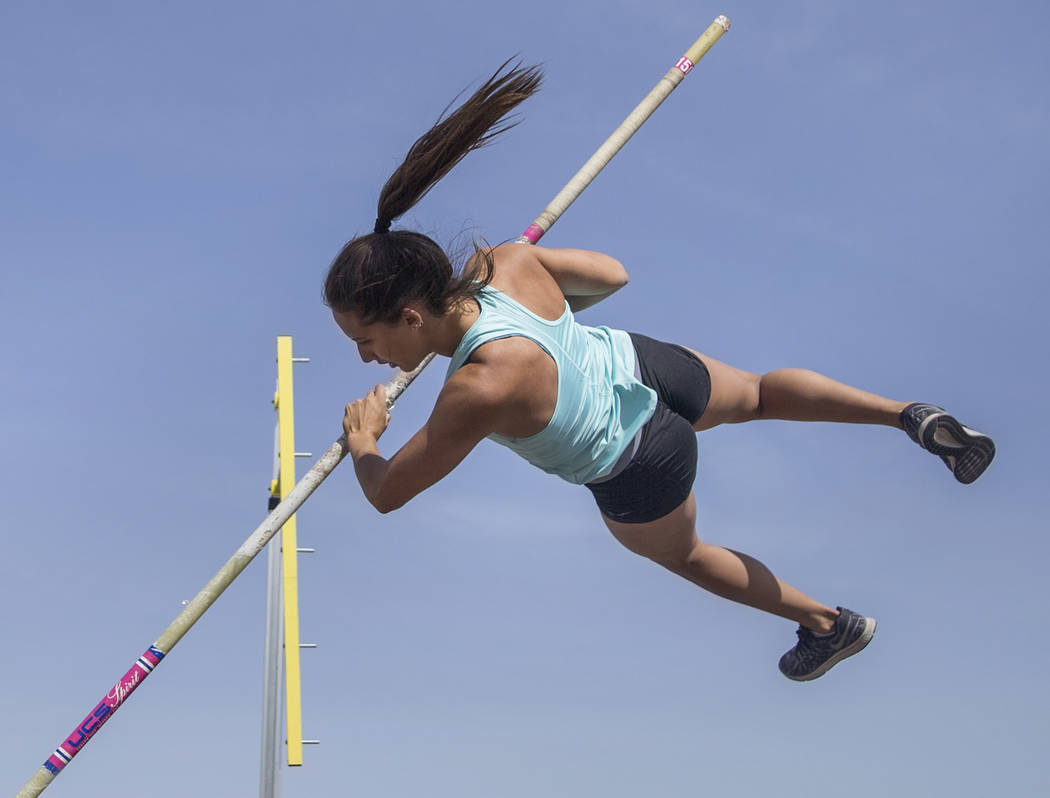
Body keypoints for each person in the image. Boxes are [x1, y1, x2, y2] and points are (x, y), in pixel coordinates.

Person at [325, 61, 995, 681]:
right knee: (760, 393)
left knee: (686, 554)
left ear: (411, 315)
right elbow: (612, 276)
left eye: (366, 337)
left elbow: (387, 494)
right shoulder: (507, 264)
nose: (366, 356)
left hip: (636, 459)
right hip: (643, 366)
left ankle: (827, 623)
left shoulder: (477, 387)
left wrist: (365, 443)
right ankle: (906, 414)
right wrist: (529, 275)